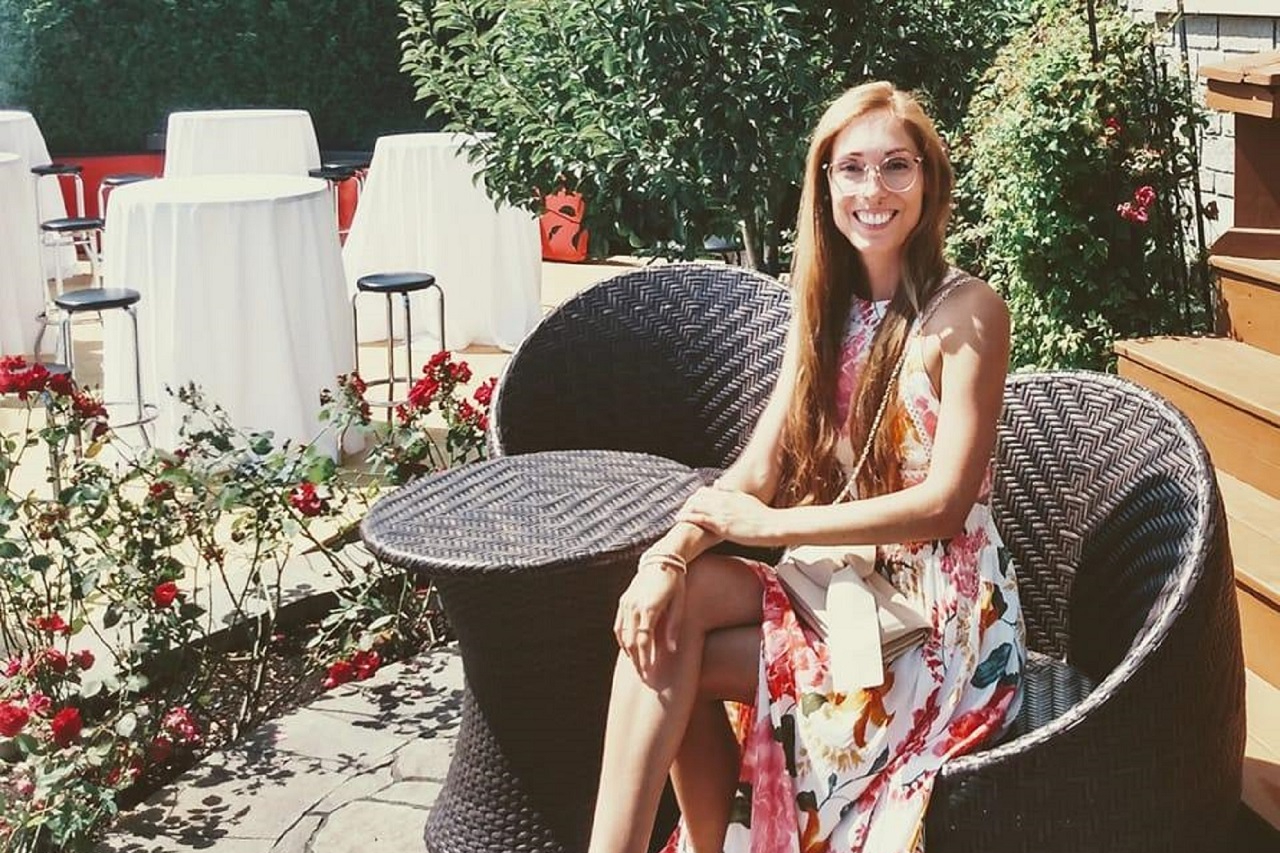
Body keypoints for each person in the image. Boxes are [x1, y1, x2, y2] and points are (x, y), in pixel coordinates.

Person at [586, 81, 1026, 853]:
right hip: (838, 583)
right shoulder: (822, 308)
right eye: (851, 168)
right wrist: (667, 557)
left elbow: (945, 504)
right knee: (668, 614)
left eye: (896, 166)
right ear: (825, 185)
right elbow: (755, 470)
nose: (873, 190)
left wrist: (772, 527)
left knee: (676, 657)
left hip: (936, 615)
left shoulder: (968, 313)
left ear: (928, 179)